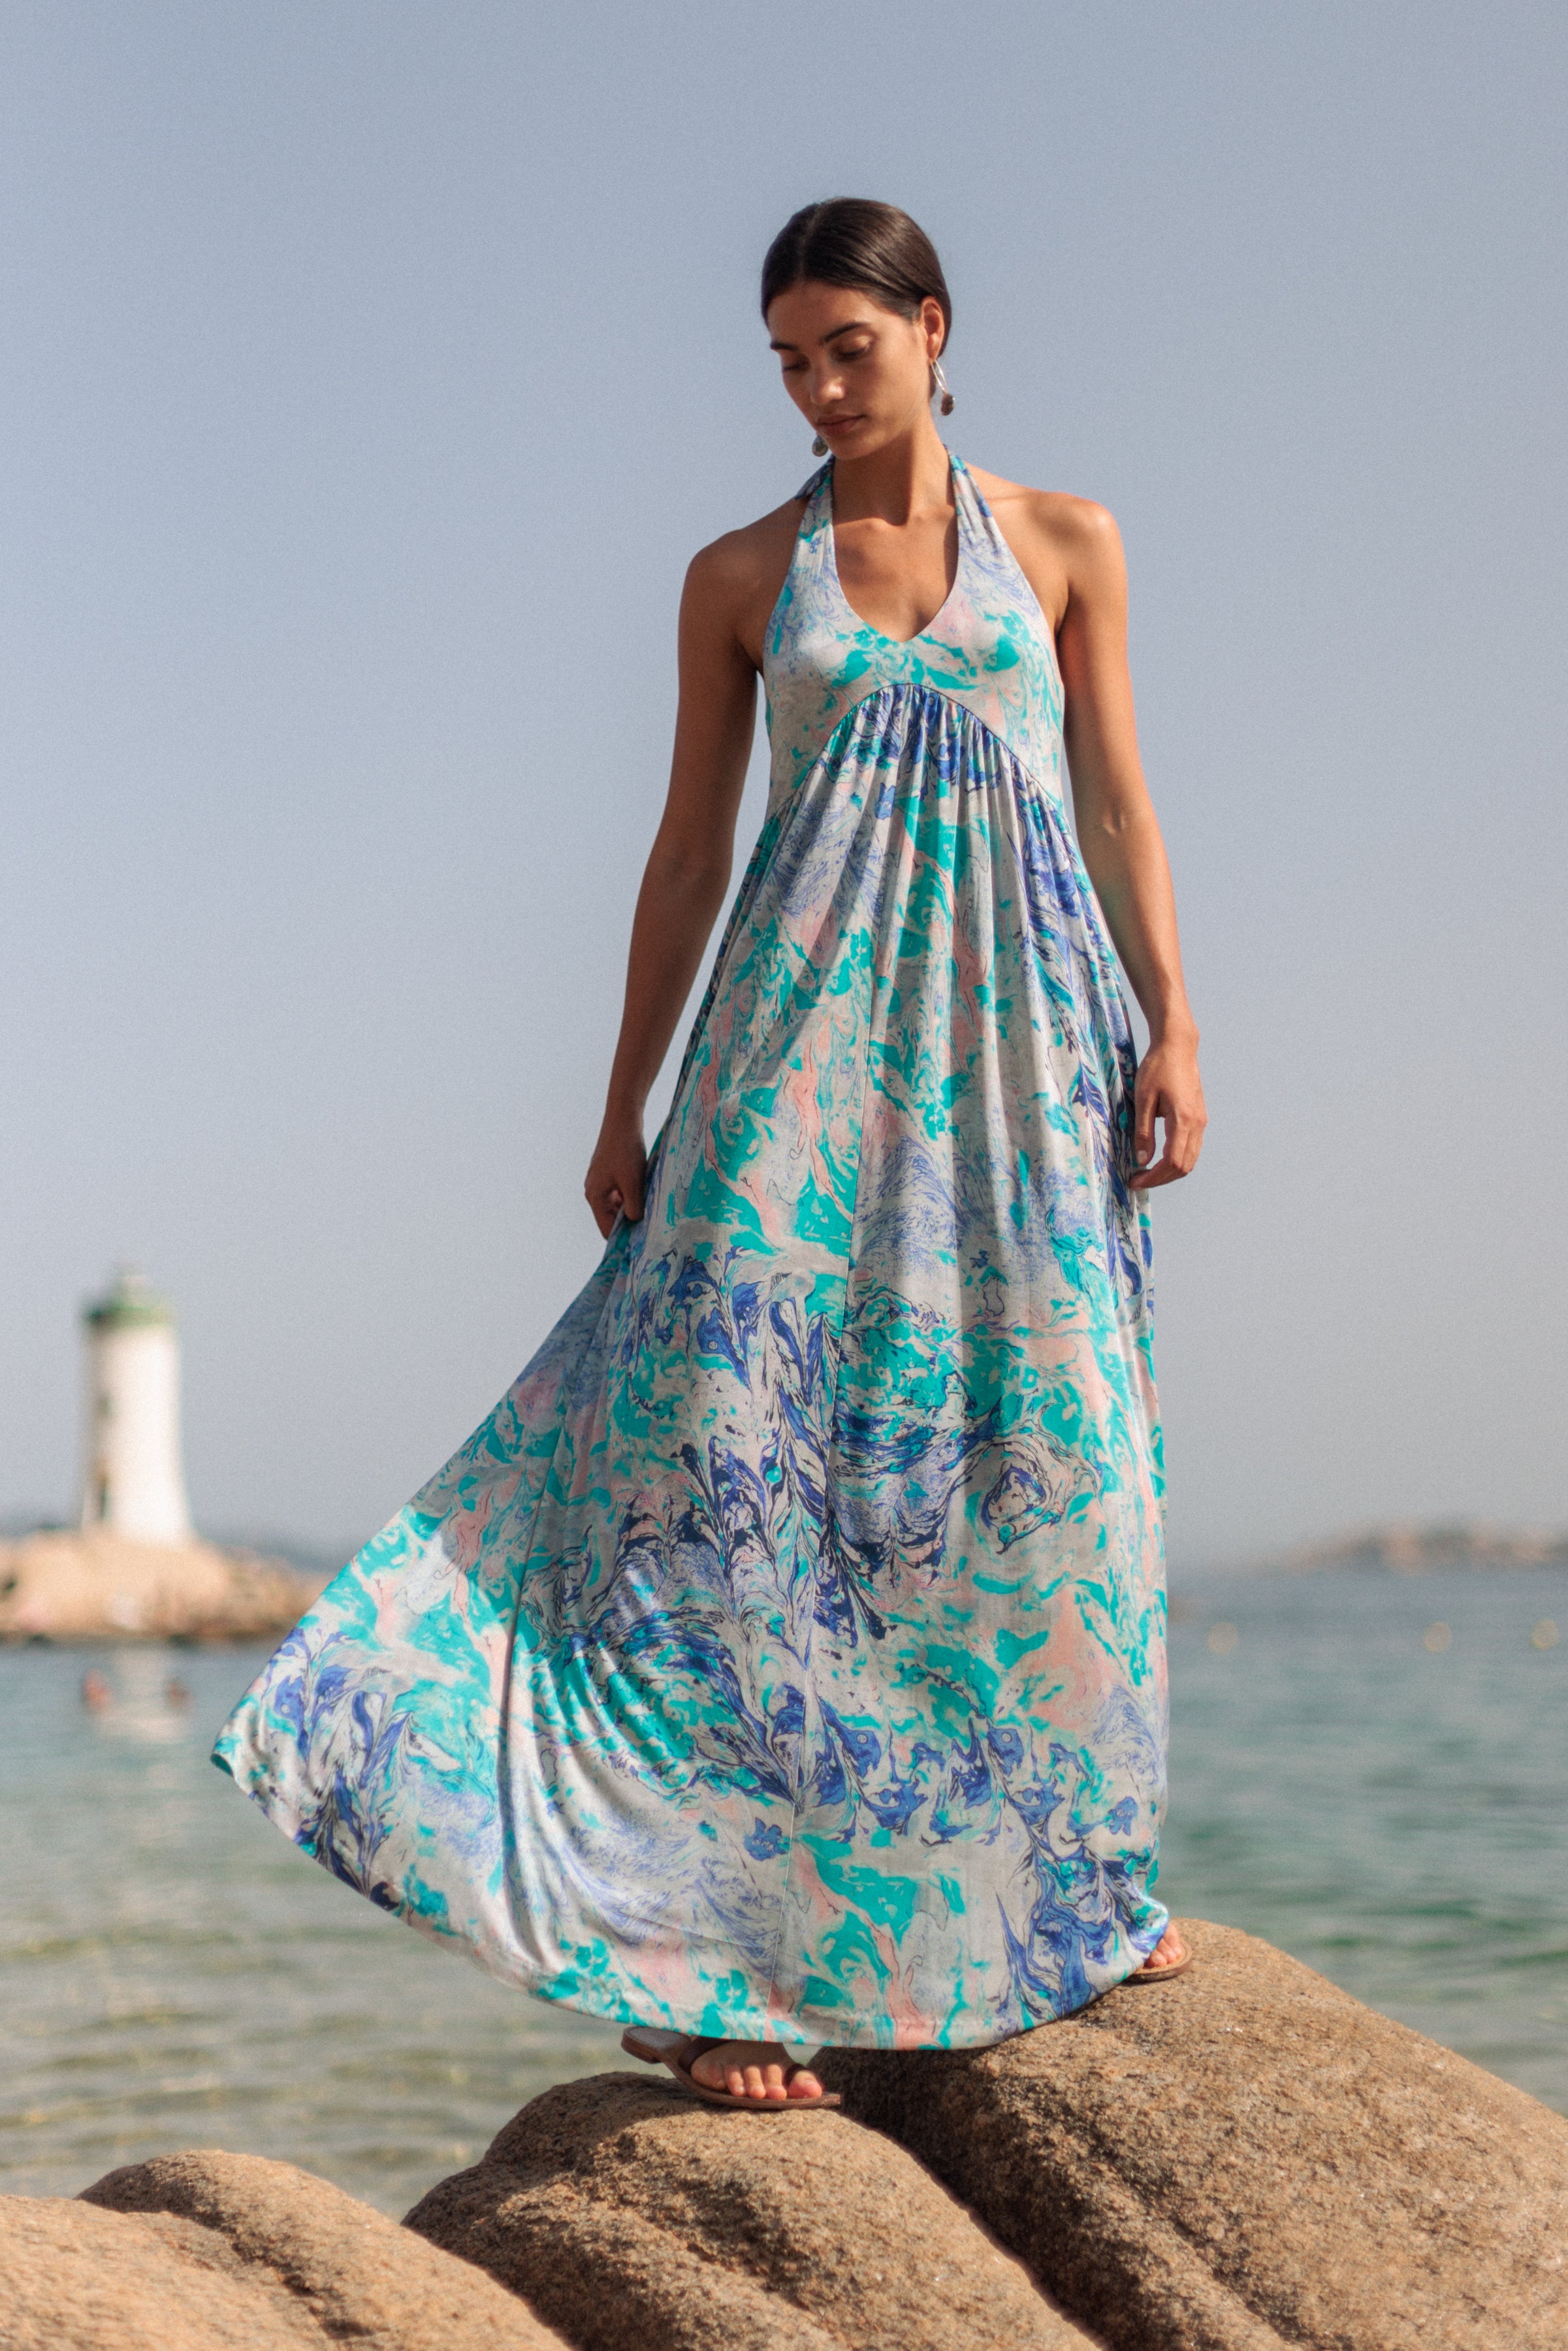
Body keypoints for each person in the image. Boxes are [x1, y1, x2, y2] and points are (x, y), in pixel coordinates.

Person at [216, 198, 1206, 2113]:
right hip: (791, 1069)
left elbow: (1113, 794)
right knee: (739, 1496)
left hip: (1014, 1068)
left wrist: (1171, 1018)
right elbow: (685, 852)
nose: (818, 388)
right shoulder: (744, 576)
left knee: (1055, 1446)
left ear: (932, 329)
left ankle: (1070, 1894)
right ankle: (703, 1975)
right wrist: (620, 1098)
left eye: (846, 347)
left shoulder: (1066, 543)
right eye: (786, 362)